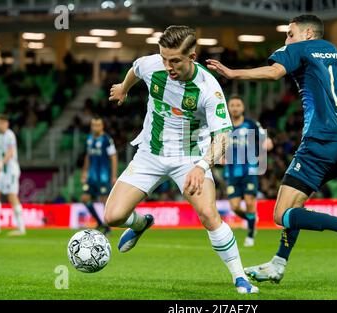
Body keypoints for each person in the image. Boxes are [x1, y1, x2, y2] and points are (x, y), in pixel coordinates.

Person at [206, 14, 337, 283]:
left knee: (281, 214)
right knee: (296, 207)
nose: (286, 39)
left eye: (290, 33)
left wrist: (234, 73)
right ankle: (278, 263)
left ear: (308, 34)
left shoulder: (298, 49)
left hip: (319, 142)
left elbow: (274, 72)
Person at [105, 25, 258, 294]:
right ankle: (142, 223)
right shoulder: (154, 64)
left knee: (209, 215)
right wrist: (124, 88)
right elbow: (136, 68)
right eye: (164, 58)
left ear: (193, 57)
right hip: (150, 153)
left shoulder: (208, 88)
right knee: (113, 217)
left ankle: (240, 277)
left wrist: (201, 167)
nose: (167, 66)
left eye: (175, 60)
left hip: (189, 158)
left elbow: (223, 136)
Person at [223, 94, 273, 247]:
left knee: (250, 201)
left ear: (243, 108)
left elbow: (267, 141)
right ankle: (251, 219)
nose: (235, 108)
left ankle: (250, 235)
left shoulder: (251, 124)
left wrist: (266, 146)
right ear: (228, 108)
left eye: (238, 105)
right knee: (235, 206)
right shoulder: (224, 126)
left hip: (249, 170)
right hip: (231, 172)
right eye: (232, 105)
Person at [0, 114, 25, 236]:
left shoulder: (10, 135)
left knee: (12, 197)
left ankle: (21, 228)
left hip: (11, 171)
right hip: (2, 171)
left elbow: (10, 153)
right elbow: (2, 154)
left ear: (7, 124)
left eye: (2, 123)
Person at [80, 117, 117, 235]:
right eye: (93, 125)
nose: (95, 127)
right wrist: (85, 172)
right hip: (91, 176)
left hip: (103, 176)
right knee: (85, 199)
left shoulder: (107, 139)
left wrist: (114, 176)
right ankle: (99, 222)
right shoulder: (89, 138)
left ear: (102, 126)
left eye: (98, 125)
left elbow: (114, 157)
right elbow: (88, 156)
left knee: (103, 200)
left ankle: (108, 226)